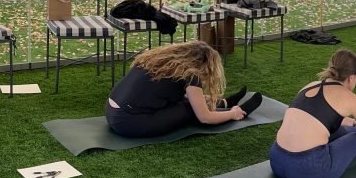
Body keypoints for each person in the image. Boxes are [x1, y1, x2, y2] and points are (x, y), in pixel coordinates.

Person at [271, 49, 356, 178]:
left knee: (340, 131)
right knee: (355, 139)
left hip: (277, 161)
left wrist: (354, 122)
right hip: (310, 171)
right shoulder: (351, 99)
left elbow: (318, 116)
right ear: (351, 77)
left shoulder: (310, 86)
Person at [105, 41, 263, 139]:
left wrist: (207, 99)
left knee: (186, 100)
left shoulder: (158, 61)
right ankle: (236, 110)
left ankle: (224, 102)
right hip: (128, 122)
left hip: (112, 112)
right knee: (189, 109)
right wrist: (232, 115)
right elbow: (205, 118)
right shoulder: (190, 74)